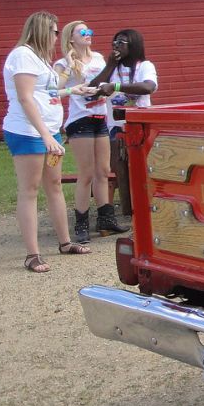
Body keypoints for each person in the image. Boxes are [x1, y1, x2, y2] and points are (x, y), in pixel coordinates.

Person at [2, 11, 92, 272]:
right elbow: (25, 97)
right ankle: (32, 254)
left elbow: (47, 92)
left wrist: (71, 90)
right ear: (42, 31)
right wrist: (44, 135)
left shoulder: (41, 60)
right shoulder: (22, 56)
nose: (56, 36)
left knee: (53, 184)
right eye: (54, 32)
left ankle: (65, 242)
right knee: (29, 190)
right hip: (27, 131)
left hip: (48, 130)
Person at [54, 20, 126, 242]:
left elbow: (107, 82)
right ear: (71, 38)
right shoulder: (63, 63)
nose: (88, 34)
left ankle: (106, 218)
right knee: (85, 173)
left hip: (100, 117)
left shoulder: (97, 59)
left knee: (103, 170)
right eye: (82, 32)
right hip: (80, 119)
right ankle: (81, 222)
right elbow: (55, 88)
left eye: (89, 31)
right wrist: (67, 64)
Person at [92, 29, 158, 217]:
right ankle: (125, 211)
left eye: (121, 42)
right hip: (115, 127)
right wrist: (110, 65)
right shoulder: (112, 68)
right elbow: (93, 88)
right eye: (114, 42)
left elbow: (148, 87)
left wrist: (117, 87)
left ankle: (147, 206)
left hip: (141, 126)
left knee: (144, 168)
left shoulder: (144, 65)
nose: (116, 46)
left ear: (134, 45)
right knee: (117, 169)